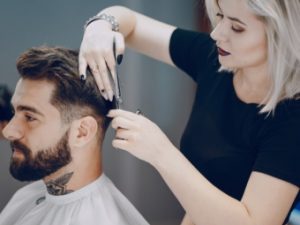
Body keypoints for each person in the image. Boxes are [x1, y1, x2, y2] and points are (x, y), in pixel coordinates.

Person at [79, 0, 300, 225]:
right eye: (220, 16)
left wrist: (161, 152)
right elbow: (131, 23)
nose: (217, 33)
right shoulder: (213, 59)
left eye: (237, 27)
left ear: (282, 35)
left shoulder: (293, 119)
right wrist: (100, 27)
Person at [0, 46, 149, 225]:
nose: (8, 131)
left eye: (30, 117)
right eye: (14, 112)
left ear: (82, 132)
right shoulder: (27, 196)